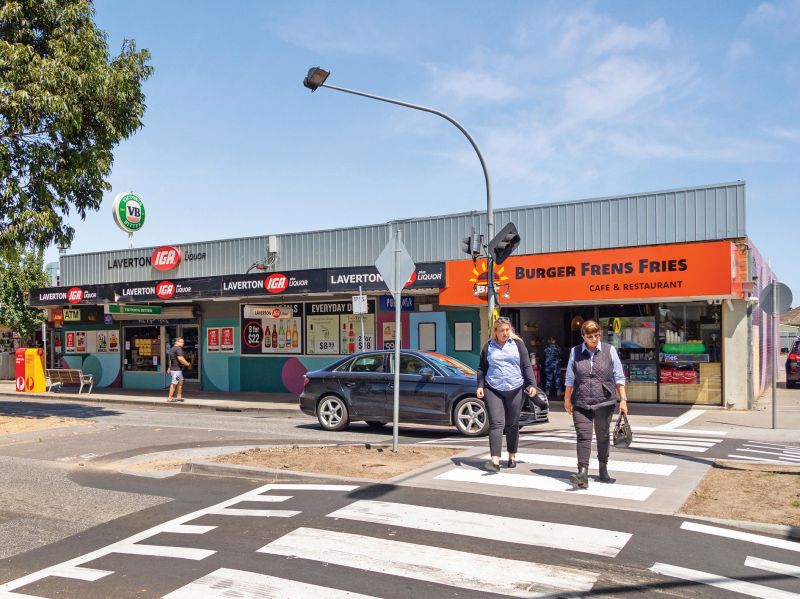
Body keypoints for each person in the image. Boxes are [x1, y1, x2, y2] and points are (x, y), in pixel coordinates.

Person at [563, 320, 628, 488]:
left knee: (602, 435)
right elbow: (570, 377)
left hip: (604, 401)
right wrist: (567, 398)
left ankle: (603, 467)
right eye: (590, 336)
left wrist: (623, 400)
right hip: (581, 401)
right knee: (583, 436)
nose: (594, 339)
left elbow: (619, 376)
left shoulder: (609, 350)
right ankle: (582, 472)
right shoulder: (575, 351)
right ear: (583, 337)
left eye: (597, 335)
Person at [477, 317, 538, 473]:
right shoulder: (488, 346)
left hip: (515, 388)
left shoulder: (518, 344)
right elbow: (482, 368)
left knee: (512, 424)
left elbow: (527, 366)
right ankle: (495, 460)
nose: (505, 333)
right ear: (495, 331)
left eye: (507, 330)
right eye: (502, 330)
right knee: (496, 423)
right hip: (493, 389)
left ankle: (512, 455)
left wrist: (532, 384)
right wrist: (480, 386)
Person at [167, 337, 191, 402]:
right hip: (176, 370)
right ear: (176, 342)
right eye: (181, 342)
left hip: (176, 370)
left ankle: (179, 397)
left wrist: (169, 367)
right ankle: (170, 398)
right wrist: (187, 364)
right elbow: (181, 358)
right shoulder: (178, 349)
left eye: (183, 342)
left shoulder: (172, 349)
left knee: (180, 383)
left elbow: (170, 360)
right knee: (174, 384)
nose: (183, 343)